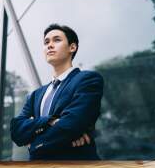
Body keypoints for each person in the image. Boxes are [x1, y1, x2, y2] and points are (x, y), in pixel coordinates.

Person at [10, 24, 104, 160]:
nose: (50, 45)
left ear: (72, 47)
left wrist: (34, 143)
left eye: (57, 40)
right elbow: (17, 131)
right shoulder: (35, 95)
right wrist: (49, 121)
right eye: (46, 42)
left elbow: (71, 125)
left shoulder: (87, 80)